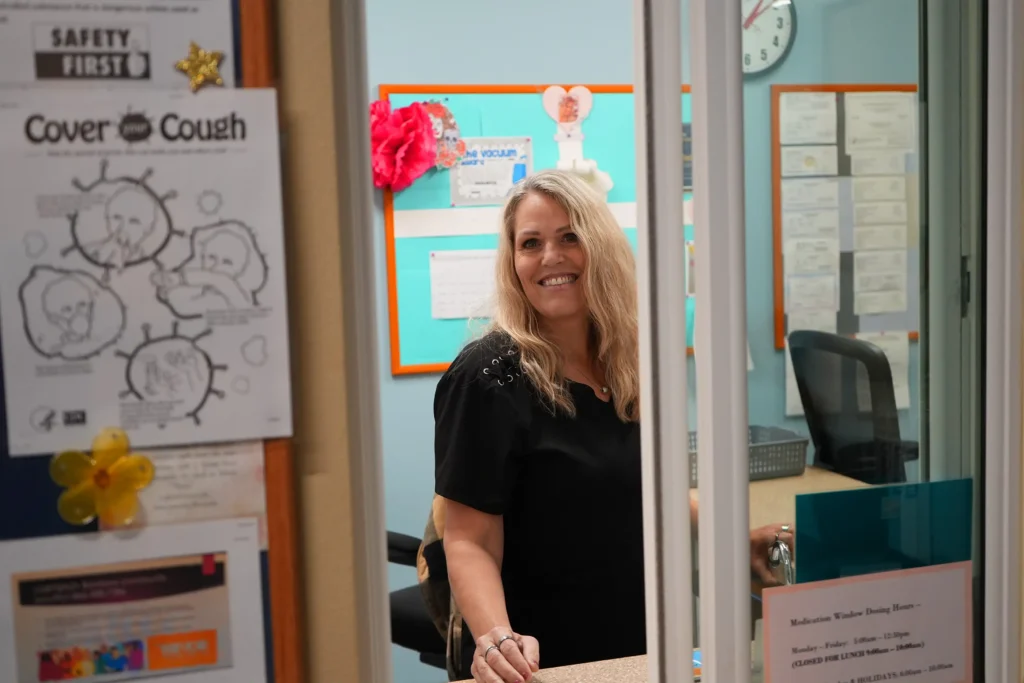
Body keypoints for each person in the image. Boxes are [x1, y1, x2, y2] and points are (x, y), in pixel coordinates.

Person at [433, 169, 793, 683]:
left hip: (639, 637)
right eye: (530, 243)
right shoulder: (488, 378)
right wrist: (497, 639)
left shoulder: (627, 359)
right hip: (541, 653)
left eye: (569, 237)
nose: (550, 257)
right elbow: (467, 539)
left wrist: (735, 538)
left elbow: (652, 485)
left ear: (599, 245)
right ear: (513, 262)